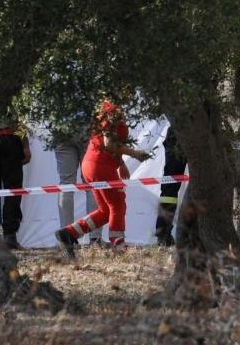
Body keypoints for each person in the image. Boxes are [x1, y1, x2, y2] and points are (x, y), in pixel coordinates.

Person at [55, 99, 151, 255]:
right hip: (101, 165)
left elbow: (111, 143)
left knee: (106, 210)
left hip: (93, 164)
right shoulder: (112, 110)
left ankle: (69, 233)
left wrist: (121, 164)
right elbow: (109, 144)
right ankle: (118, 246)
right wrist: (135, 153)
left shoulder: (109, 109)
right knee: (117, 205)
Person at [0, 119, 31, 249]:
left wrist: (25, 145)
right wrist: (25, 145)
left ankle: (6, 235)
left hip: (0, 139)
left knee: (10, 190)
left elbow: (19, 117)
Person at [154, 128, 185, 247]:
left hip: (197, 134)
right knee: (169, 190)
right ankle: (163, 234)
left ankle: (163, 234)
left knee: (169, 190)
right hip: (177, 136)